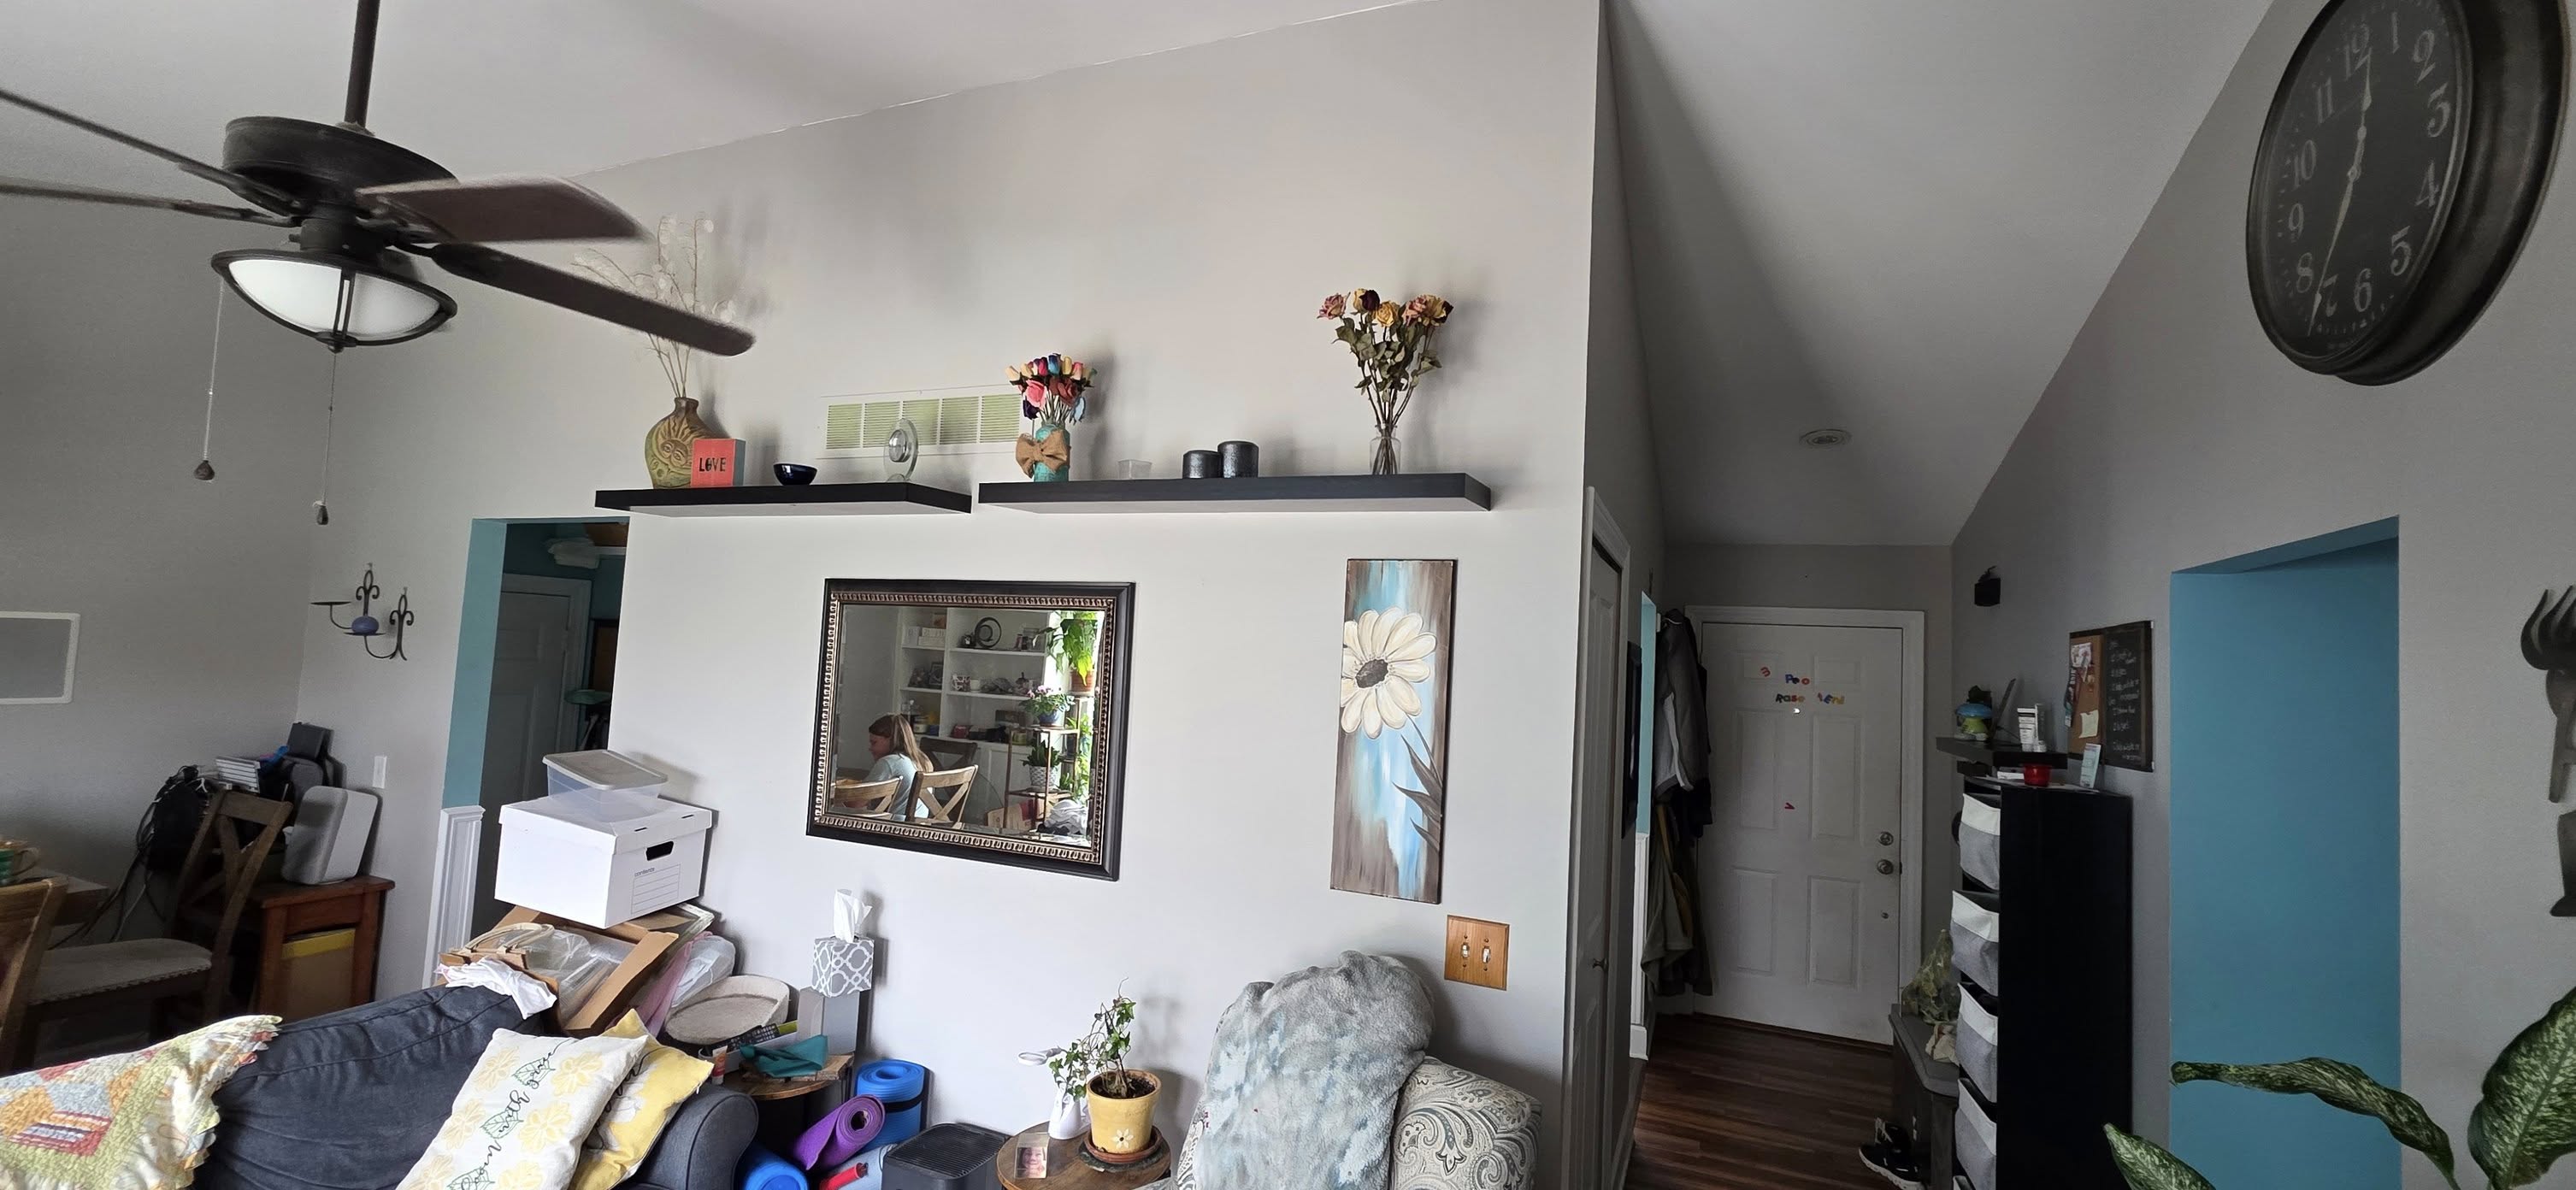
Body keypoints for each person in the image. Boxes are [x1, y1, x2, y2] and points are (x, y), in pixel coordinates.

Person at [863, 714, 935, 817]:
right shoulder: (923, 761)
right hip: (919, 827)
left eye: (874, 743)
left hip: (892, 828)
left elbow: (855, 803)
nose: (870, 748)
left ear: (891, 740)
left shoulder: (889, 762)